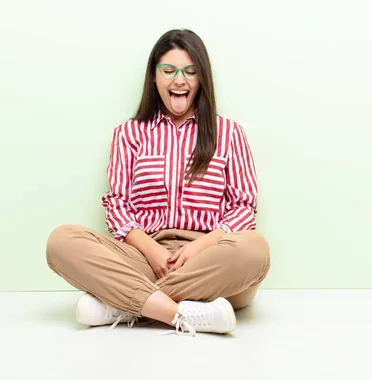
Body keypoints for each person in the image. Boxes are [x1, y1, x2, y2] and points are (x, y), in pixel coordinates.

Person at [46, 29, 270, 336]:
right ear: (154, 77)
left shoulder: (229, 133)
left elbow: (244, 208)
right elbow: (118, 205)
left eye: (190, 72)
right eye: (169, 71)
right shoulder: (129, 134)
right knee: (61, 241)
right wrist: (153, 252)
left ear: (201, 79)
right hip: (144, 258)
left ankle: (127, 304)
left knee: (255, 250)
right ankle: (180, 313)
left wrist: (200, 247)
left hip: (210, 264)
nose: (180, 80)